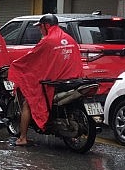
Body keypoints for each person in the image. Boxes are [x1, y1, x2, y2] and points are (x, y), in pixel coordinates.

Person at [8, 14, 84, 147]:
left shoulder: (48, 41)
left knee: (28, 103)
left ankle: (23, 138)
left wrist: (16, 65)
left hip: (54, 83)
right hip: (73, 80)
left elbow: (32, 58)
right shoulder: (69, 38)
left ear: (46, 25)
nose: (40, 30)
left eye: (40, 27)